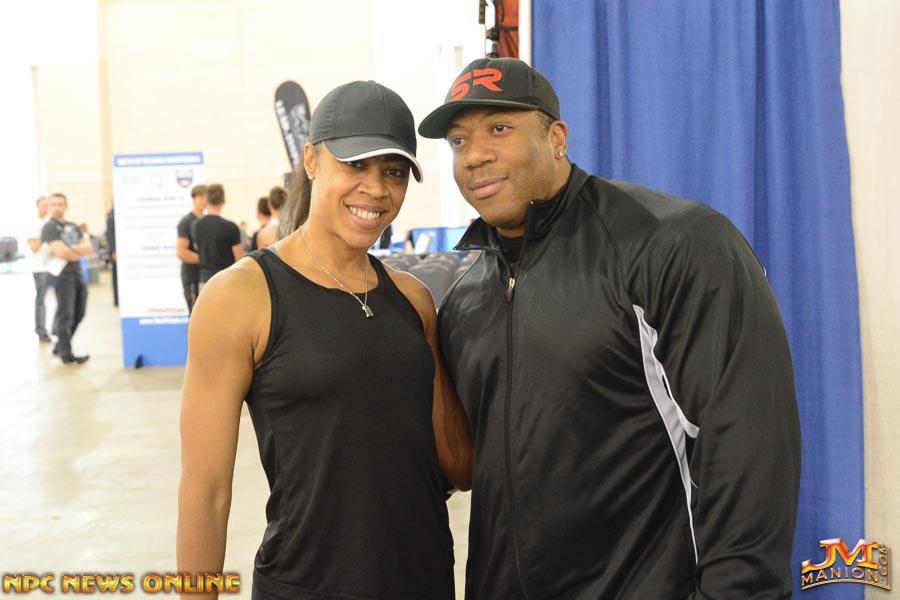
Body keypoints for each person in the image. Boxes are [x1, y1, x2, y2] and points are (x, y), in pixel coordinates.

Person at [418, 57, 802, 599]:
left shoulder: (673, 244)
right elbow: (466, 466)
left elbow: (749, 447)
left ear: (557, 137)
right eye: (459, 141)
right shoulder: (466, 298)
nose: (475, 155)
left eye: (498, 129)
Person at [178, 80, 473, 600]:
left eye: (393, 172)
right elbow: (207, 494)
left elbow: (459, 465)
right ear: (311, 161)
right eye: (355, 165)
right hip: (306, 584)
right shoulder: (240, 297)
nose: (376, 189)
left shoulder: (414, 300)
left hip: (425, 579)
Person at [41, 193, 93, 364]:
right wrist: (77, 250)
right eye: (54, 204)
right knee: (66, 314)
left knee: (80, 312)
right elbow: (60, 252)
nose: (58, 207)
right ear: (50, 207)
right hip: (62, 276)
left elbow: (89, 248)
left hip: (77, 273)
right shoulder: (49, 228)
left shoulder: (73, 226)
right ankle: (66, 354)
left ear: (66, 206)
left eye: (61, 204)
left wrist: (71, 250)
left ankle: (60, 345)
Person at [190, 184, 242, 291]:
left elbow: (196, 247)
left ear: (206, 201)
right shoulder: (231, 227)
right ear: (223, 201)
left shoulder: (195, 225)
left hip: (205, 281)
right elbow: (239, 259)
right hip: (226, 280)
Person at [176, 185, 207, 314]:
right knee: (195, 314)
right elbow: (181, 252)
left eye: (206, 197)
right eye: (201, 197)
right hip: (191, 276)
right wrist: (206, 259)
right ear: (194, 198)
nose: (204, 200)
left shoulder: (206, 221)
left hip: (205, 276)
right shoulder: (186, 222)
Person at [27, 196, 52, 342]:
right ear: (37, 206)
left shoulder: (51, 223)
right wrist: (51, 244)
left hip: (53, 267)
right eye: (43, 205)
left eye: (48, 205)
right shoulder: (33, 224)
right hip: (39, 268)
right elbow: (34, 247)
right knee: (41, 300)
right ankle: (41, 330)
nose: (46, 208)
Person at [105, 204, 117, 307]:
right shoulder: (111, 217)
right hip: (115, 252)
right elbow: (110, 236)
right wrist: (113, 251)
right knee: (116, 276)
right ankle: (117, 300)